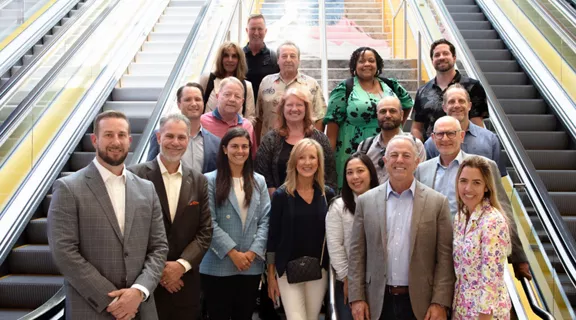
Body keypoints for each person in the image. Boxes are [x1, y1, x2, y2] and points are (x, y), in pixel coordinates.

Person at [48, 111, 168, 319]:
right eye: (108, 135)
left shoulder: (146, 189)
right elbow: (64, 252)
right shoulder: (68, 188)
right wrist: (114, 301)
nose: (116, 141)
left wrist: (138, 292)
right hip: (92, 309)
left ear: (129, 141)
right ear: (95, 140)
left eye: (122, 135)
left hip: (141, 309)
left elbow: (159, 247)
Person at [348, 135, 454, 320]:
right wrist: (356, 297)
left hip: (421, 303)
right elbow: (357, 253)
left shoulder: (437, 203)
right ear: (385, 161)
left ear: (417, 162)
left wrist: (440, 302)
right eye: (394, 155)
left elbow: (445, 258)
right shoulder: (366, 202)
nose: (399, 160)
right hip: (377, 302)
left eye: (406, 155)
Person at [414, 116, 531, 280]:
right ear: (432, 138)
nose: (445, 139)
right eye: (439, 134)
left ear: (461, 136)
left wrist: (518, 257)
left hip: (474, 258)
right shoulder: (422, 170)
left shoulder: (484, 166)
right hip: (435, 254)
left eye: (451, 133)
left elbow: (503, 209)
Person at [129, 114, 213, 319]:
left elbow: (205, 231)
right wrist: (159, 273)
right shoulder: (135, 176)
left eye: (181, 137)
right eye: (170, 136)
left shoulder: (198, 180)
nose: (175, 143)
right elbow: (130, 233)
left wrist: (180, 266)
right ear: (158, 137)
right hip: (145, 285)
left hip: (185, 283)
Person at [200, 127, 270, 320]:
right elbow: (208, 222)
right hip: (218, 262)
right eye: (235, 146)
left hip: (250, 264)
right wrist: (233, 253)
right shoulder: (209, 180)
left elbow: (265, 220)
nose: (240, 151)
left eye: (245, 147)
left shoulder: (259, 181)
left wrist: (252, 252)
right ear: (224, 149)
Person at [267, 139, 336, 320]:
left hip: (317, 271)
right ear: (294, 162)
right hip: (287, 271)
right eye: (302, 158)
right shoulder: (282, 195)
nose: (307, 163)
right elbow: (272, 238)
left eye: (312, 157)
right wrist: (271, 276)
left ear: (319, 162)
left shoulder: (327, 195)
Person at [325, 47, 413, 188]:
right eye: (361, 61)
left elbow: (407, 103)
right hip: (351, 152)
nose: (367, 64)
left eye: (371, 61)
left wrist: (396, 125)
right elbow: (332, 130)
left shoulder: (391, 85)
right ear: (354, 66)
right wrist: (328, 163)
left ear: (377, 64)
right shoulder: (345, 89)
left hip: (388, 149)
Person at [452, 155, 512, 320]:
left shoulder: (492, 221)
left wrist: (484, 315)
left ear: (486, 187)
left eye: (476, 183)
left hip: (485, 314)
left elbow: (491, 276)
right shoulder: (460, 217)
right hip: (462, 309)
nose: (468, 188)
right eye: (463, 181)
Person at [326, 152, 379, 320]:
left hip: (378, 280)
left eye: (360, 171)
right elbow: (335, 246)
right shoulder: (338, 206)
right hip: (348, 281)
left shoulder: (383, 201)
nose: (355, 177)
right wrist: (348, 278)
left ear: (371, 173)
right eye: (349, 172)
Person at [256, 88, 337, 194]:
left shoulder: (320, 139)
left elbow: (330, 175)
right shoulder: (270, 139)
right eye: (289, 105)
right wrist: (276, 199)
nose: (294, 109)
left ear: (306, 109)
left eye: (299, 105)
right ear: (282, 109)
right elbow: (262, 174)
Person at [411, 38, 488, 141]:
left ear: (454, 58)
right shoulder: (422, 91)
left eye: (445, 53)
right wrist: (420, 148)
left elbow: (477, 125)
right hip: (432, 152)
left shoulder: (473, 86)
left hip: (464, 151)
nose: (441, 57)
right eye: (437, 55)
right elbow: (417, 127)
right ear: (432, 60)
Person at [424, 83, 506, 176]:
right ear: (444, 107)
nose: (457, 105)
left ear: (469, 106)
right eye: (451, 102)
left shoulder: (490, 139)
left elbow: (497, 179)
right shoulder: (432, 143)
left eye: (461, 101)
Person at [256, 41, 326, 140]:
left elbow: (320, 117)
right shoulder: (266, 82)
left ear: (299, 60)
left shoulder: (312, 84)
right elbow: (259, 118)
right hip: (270, 146)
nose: (288, 60)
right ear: (277, 60)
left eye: (292, 56)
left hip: (302, 146)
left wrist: (314, 143)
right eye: (284, 56)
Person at [147, 82, 220, 173]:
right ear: (179, 104)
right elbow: (149, 170)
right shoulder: (161, 135)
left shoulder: (215, 142)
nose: (193, 104)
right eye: (188, 100)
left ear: (203, 103)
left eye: (197, 99)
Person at [357, 96, 425, 184]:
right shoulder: (365, 146)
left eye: (392, 111)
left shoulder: (415, 145)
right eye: (383, 111)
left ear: (401, 115)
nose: (388, 115)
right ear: (377, 115)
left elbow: (420, 179)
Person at [201, 76, 257, 157]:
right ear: (218, 96)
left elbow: (252, 157)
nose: (232, 99)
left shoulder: (247, 126)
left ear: (242, 101)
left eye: (237, 96)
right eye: (227, 94)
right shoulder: (202, 122)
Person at [199, 42, 255, 121]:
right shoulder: (207, 79)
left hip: (235, 131)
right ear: (220, 58)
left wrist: (241, 129)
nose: (230, 60)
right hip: (208, 131)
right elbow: (197, 107)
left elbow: (250, 117)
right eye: (226, 56)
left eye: (234, 56)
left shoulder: (246, 86)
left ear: (239, 60)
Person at [243, 14, 279, 101]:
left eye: (260, 29)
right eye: (253, 29)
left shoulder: (274, 58)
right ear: (247, 30)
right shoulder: (238, 56)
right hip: (242, 109)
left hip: (266, 110)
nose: (256, 33)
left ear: (265, 31)